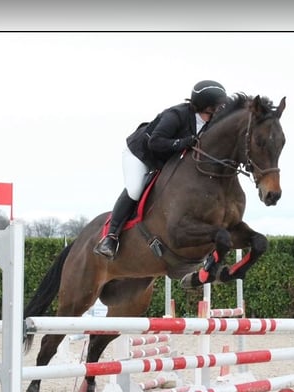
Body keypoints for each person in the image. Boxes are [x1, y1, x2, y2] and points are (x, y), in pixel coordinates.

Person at [93, 80, 229, 260]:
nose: (222, 109)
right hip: (141, 154)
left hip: (166, 159)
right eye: (217, 106)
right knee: (135, 189)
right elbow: (155, 142)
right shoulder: (176, 115)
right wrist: (182, 143)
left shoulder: (211, 122)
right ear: (206, 105)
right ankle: (111, 237)